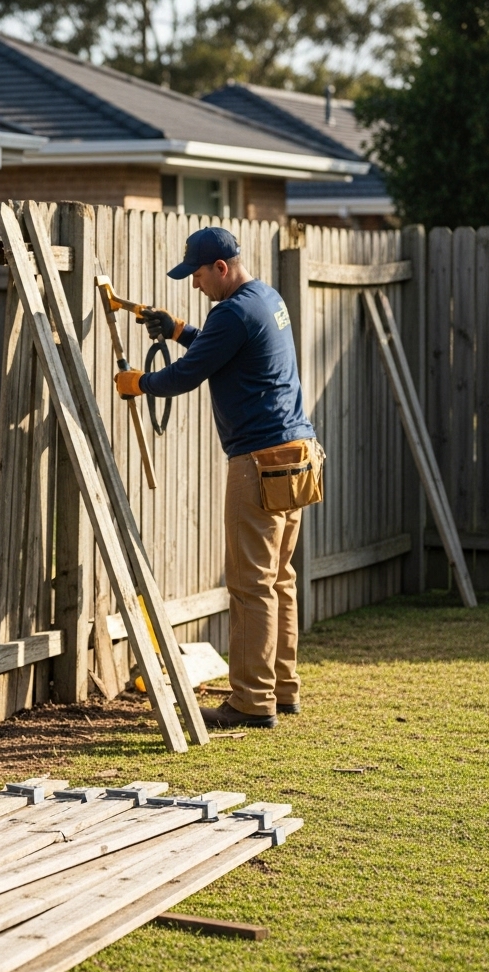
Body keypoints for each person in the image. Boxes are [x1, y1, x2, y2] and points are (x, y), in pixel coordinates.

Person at [114, 227, 323, 729]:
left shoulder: (231, 312)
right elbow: (225, 346)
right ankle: (283, 687)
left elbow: (187, 374)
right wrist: (181, 328)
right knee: (280, 578)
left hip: (259, 461)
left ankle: (252, 702)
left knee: (251, 585)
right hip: (299, 454)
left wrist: (138, 383)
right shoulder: (265, 298)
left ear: (221, 268)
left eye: (198, 275)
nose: (195, 284)